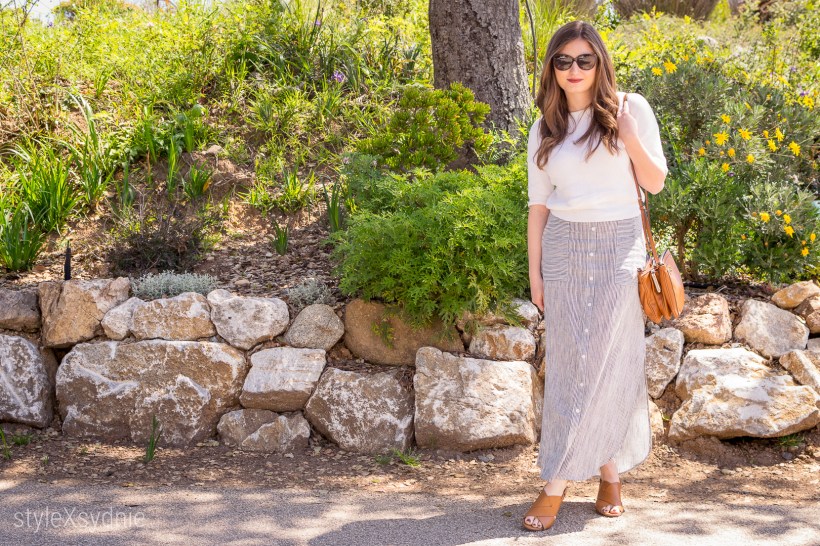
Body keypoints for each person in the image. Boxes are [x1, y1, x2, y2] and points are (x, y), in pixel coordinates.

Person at [522, 20, 668, 532]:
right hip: (563, 247)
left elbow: (654, 182)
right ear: (552, 69)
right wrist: (535, 273)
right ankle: (609, 473)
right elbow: (538, 207)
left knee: (606, 360)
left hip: (619, 247)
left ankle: (556, 483)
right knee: (569, 363)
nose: (575, 70)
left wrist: (627, 136)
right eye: (564, 61)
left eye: (585, 60)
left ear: (601, 62)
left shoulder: (633, 109)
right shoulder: (545, 126)